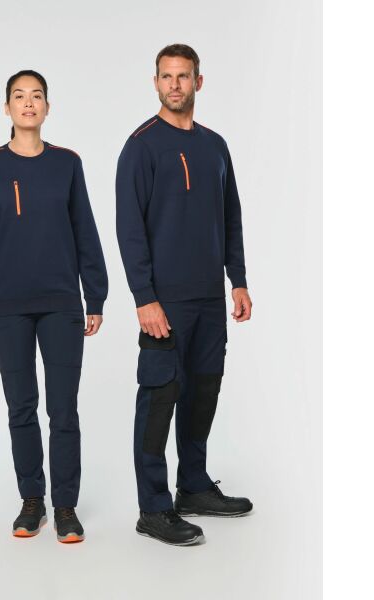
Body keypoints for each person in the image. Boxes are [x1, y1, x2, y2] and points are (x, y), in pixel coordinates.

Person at [0, 69, 108, 544]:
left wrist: (95, 294)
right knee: (21, 407)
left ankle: (65, 506)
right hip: (7, 307)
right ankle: (32, 501)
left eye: (37, 96)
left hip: (62, 303)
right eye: (19, 96)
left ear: (47, 107)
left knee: (63, 409)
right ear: (7, 108)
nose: (28, 103)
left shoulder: (67, 164)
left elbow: (86, 232)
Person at [116, 44, 253, 546]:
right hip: (165, 301)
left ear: (198, 81)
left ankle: (192, 486)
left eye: (183, 76)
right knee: (159, 399)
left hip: (210, 299)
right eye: (167, 76)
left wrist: (238, 279)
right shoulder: (141, 146)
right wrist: (144, 297)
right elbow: (129, 227)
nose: (175, 85)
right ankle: (153, 509)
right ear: (155, 82)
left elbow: (231, 215)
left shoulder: (215, 146)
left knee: (202, 394)